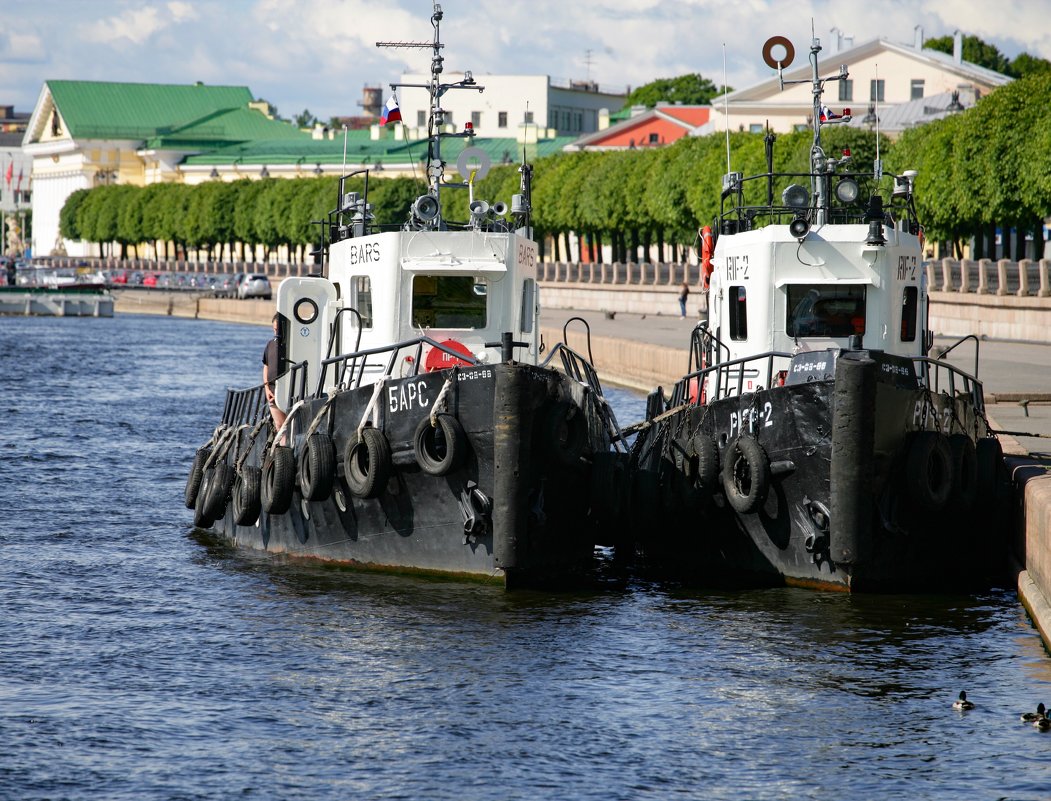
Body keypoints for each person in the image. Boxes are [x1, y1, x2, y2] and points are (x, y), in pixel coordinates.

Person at [262, 313, 287, 444]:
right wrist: (266, 387)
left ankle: (286, 452)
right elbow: (266, 366)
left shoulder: (290, 344)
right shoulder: (270, 344)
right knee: (279, 425)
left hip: (287, 390)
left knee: (287, 425)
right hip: (272, 390)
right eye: (274, 329)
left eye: (278, 329)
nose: (276, 332)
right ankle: (283, 451)